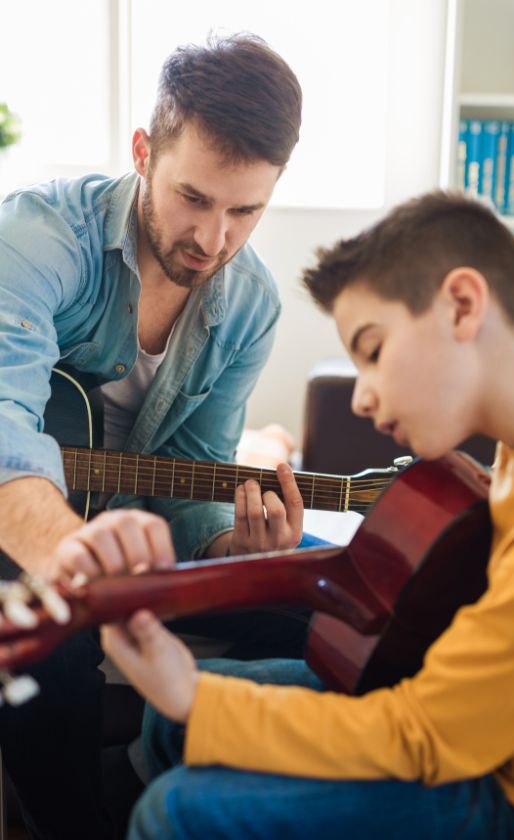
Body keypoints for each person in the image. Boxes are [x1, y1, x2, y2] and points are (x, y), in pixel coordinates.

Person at [97, 191, 514, 839]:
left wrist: (192, 693)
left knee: (177, 808)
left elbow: (423, 736)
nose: (361, 398)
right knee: (171, 721)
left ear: (464, 305)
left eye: (373, 349)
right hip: (485, 721)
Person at [0, 34, 307, 840]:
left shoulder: (250, 305)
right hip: (22, 529)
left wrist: (228, 555)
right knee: (53, 642)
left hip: (135, 538)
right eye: (194, 198)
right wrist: (86, 571)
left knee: (309, 613)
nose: (214, 240)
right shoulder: (36, 239)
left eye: (246, 211)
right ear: (143, 151)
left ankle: (174, 796)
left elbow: (193, 472)